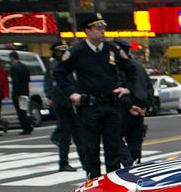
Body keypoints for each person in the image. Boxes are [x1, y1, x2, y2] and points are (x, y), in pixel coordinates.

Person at [53, 14, 137, 180]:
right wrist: (72, 93)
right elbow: (59, 73)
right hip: (89, 105)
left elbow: (130, 68)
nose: (102, 31)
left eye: (103, 27)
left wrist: (126, 88)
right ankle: (93, 181)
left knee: (113, 147)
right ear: (88, 31)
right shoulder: (77, 51)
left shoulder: (111, 49)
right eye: (98, 28)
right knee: (91, 147)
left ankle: (113, 182)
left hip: (111, 103)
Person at [46, 42, 84, 171]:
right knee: (66, 136)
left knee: (78, 135)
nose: (64, 54)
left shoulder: (68, 64)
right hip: (64, 105)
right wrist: (70, 101)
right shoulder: (56, 67)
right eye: (62, 52)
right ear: (56, 53)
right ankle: (64, 162)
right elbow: (56, 88)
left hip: (72, 103)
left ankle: (84, 161)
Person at [113, 39, 150, 167]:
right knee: (135, 142)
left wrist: (128, 105)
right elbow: (148, 87)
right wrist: (146, 107)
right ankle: (135, 166)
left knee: (115, 139)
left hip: (124, 109)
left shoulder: (118, 67)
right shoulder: (138, 66)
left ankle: (129, 165)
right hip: (139, 108)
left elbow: (118, 89)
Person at [8, 51, 33, 134]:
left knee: (20, 111)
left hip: (18, 92)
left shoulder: (14, 67)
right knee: (24, 110)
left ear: (12, 57)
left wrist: (17, 93)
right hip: (25, 91)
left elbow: (15, 81)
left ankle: (26, 127)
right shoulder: (24, 66)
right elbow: (28, 79)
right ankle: (29, 125)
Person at [0, 62, 9, 134]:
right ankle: (4, 122)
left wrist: (6, 95)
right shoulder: (3, 71)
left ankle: (3, 122)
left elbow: (5, 84)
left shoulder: (3, 71)